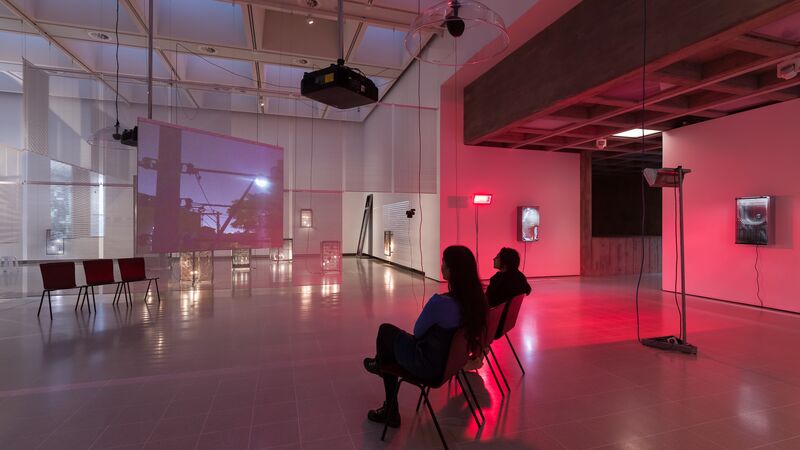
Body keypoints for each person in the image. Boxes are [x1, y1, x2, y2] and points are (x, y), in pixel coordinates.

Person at [363, 245, 487, 428]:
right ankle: (379, 365)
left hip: (429, 366)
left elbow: (418, 331)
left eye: (444, 262)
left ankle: (387, 396)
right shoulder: (477, 302)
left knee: (385, 332)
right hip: (450, 364)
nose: (441, 266)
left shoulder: (441, 303)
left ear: (452, 270)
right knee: (390, 344)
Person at [486, 248, 531, 338]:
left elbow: (488, 301)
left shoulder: (499, 280)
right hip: (505, 323)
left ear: (505, 263)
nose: (494, 259)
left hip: (494, 324)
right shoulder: (520, 277)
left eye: (497, 257)